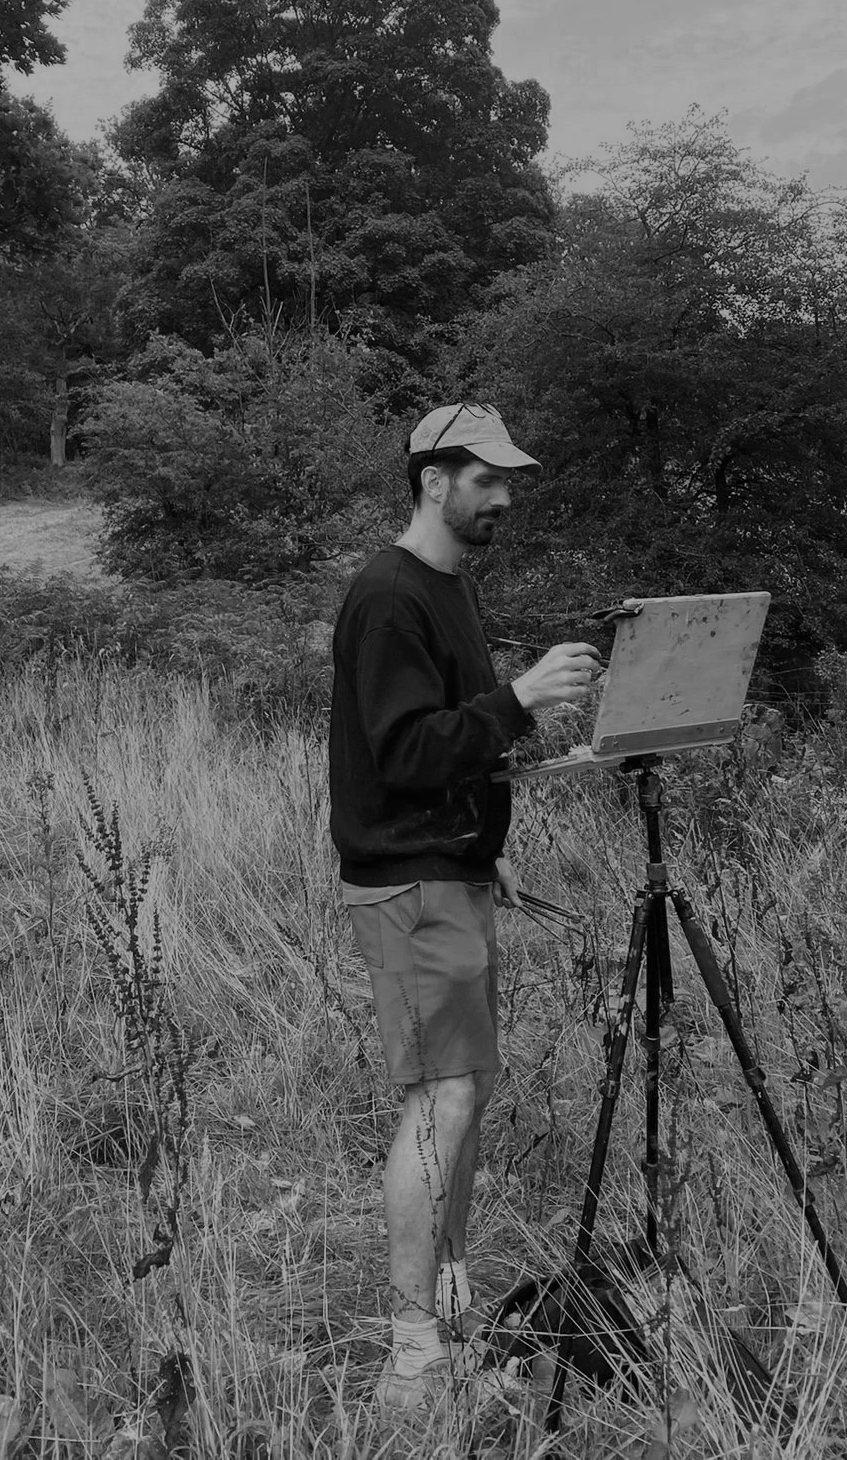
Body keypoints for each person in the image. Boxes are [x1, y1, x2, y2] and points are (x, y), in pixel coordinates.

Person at [329, 402, 603, 1421]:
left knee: (465, 1090)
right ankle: (412, 1358)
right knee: (439, 1100)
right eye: (485, 477)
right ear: (432, 477)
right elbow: (402, 750)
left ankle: (446, 1301)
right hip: (407, 882)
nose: (504, 495)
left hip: (451, 871)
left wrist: (489, 851)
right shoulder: (390, 594)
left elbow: (451, 741)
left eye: (506, 477)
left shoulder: (448, 588)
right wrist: (522, 698)